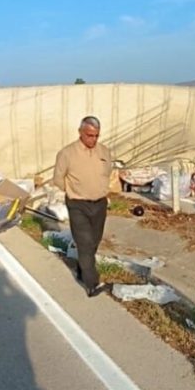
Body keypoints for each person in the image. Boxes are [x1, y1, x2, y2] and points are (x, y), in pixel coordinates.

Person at [53, 116, 114, 297]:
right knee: (85, 242)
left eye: (96, 136)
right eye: (89, 135)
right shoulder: (67, 153)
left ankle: (82, 269)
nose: (93, 139)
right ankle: (92, 283)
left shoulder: (104, 152)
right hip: (77, 204)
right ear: (80, 132)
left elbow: (107, 173)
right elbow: (58, 178)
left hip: (99, 204)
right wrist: (72, 191)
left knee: (94, 241)